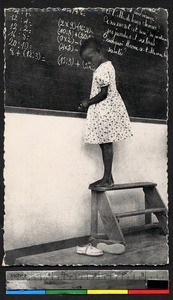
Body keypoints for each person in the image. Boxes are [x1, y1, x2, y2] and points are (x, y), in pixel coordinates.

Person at [79, 38, 133, 188]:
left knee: (106, 144)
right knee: (104, 143)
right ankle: (108, 177)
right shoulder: (106, 66)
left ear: (99, 52)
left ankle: (107, 178)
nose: (89, 63)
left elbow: (104, 93)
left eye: (90, 59)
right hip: (105, 111)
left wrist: (87, 102)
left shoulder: (103, 68)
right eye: (87, 62)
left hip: (105, 111)